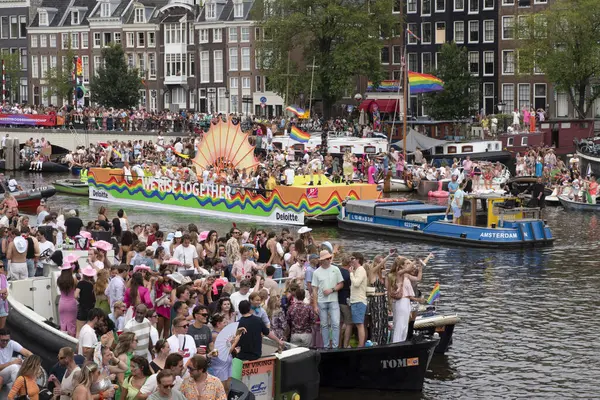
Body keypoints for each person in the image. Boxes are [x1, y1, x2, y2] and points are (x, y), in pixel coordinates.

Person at [311, 250, 343, 349]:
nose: (330, 260)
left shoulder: (336, 269)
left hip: (333, 300)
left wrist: (332, 290)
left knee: (335, 324)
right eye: (327, 258)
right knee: (324, 325)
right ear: (322, 260)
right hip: (321, 301)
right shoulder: (316, 272)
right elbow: (314, 290)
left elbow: (341, 284)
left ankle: (335, 346)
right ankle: (326, 347)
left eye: (330, 258)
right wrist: (315, 305)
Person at [387, 257, 423, 343]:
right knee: (400, 324)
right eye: (406, 263)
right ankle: (396, 343)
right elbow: (407, 269)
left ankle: (402, 342)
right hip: (401, 301)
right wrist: (414, 261)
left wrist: (420, 267)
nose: (409, 265)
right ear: (402, 266)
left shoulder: (406, 275)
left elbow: (418, 278)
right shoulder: (399, 273)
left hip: (407, 302)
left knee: (405, 326)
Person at [349, 252, 368, 347]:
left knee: (359, 324)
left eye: (353, 258)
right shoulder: (357, 270)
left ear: (357, 260)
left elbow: (356, 283)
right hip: (355, 300)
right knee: (358, 324)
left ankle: (361, 345)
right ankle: (361, 344)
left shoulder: (361, 270)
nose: (351, 260)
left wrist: (351, 274)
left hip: (359, 301)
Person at [57, 260, 78, 337]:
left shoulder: (59, 279)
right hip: (71, 303)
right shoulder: (73, 279)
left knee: (63, 322)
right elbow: (76, 289)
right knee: (72, 323)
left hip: (62, 303)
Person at [75, 267, 97, 336]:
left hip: (83, 308)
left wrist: (79, 300)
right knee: (90, 329)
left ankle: (77, 344)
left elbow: (75, 295)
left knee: (79, 330)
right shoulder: (93, 284)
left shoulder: (81, 283)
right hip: (91, 308)